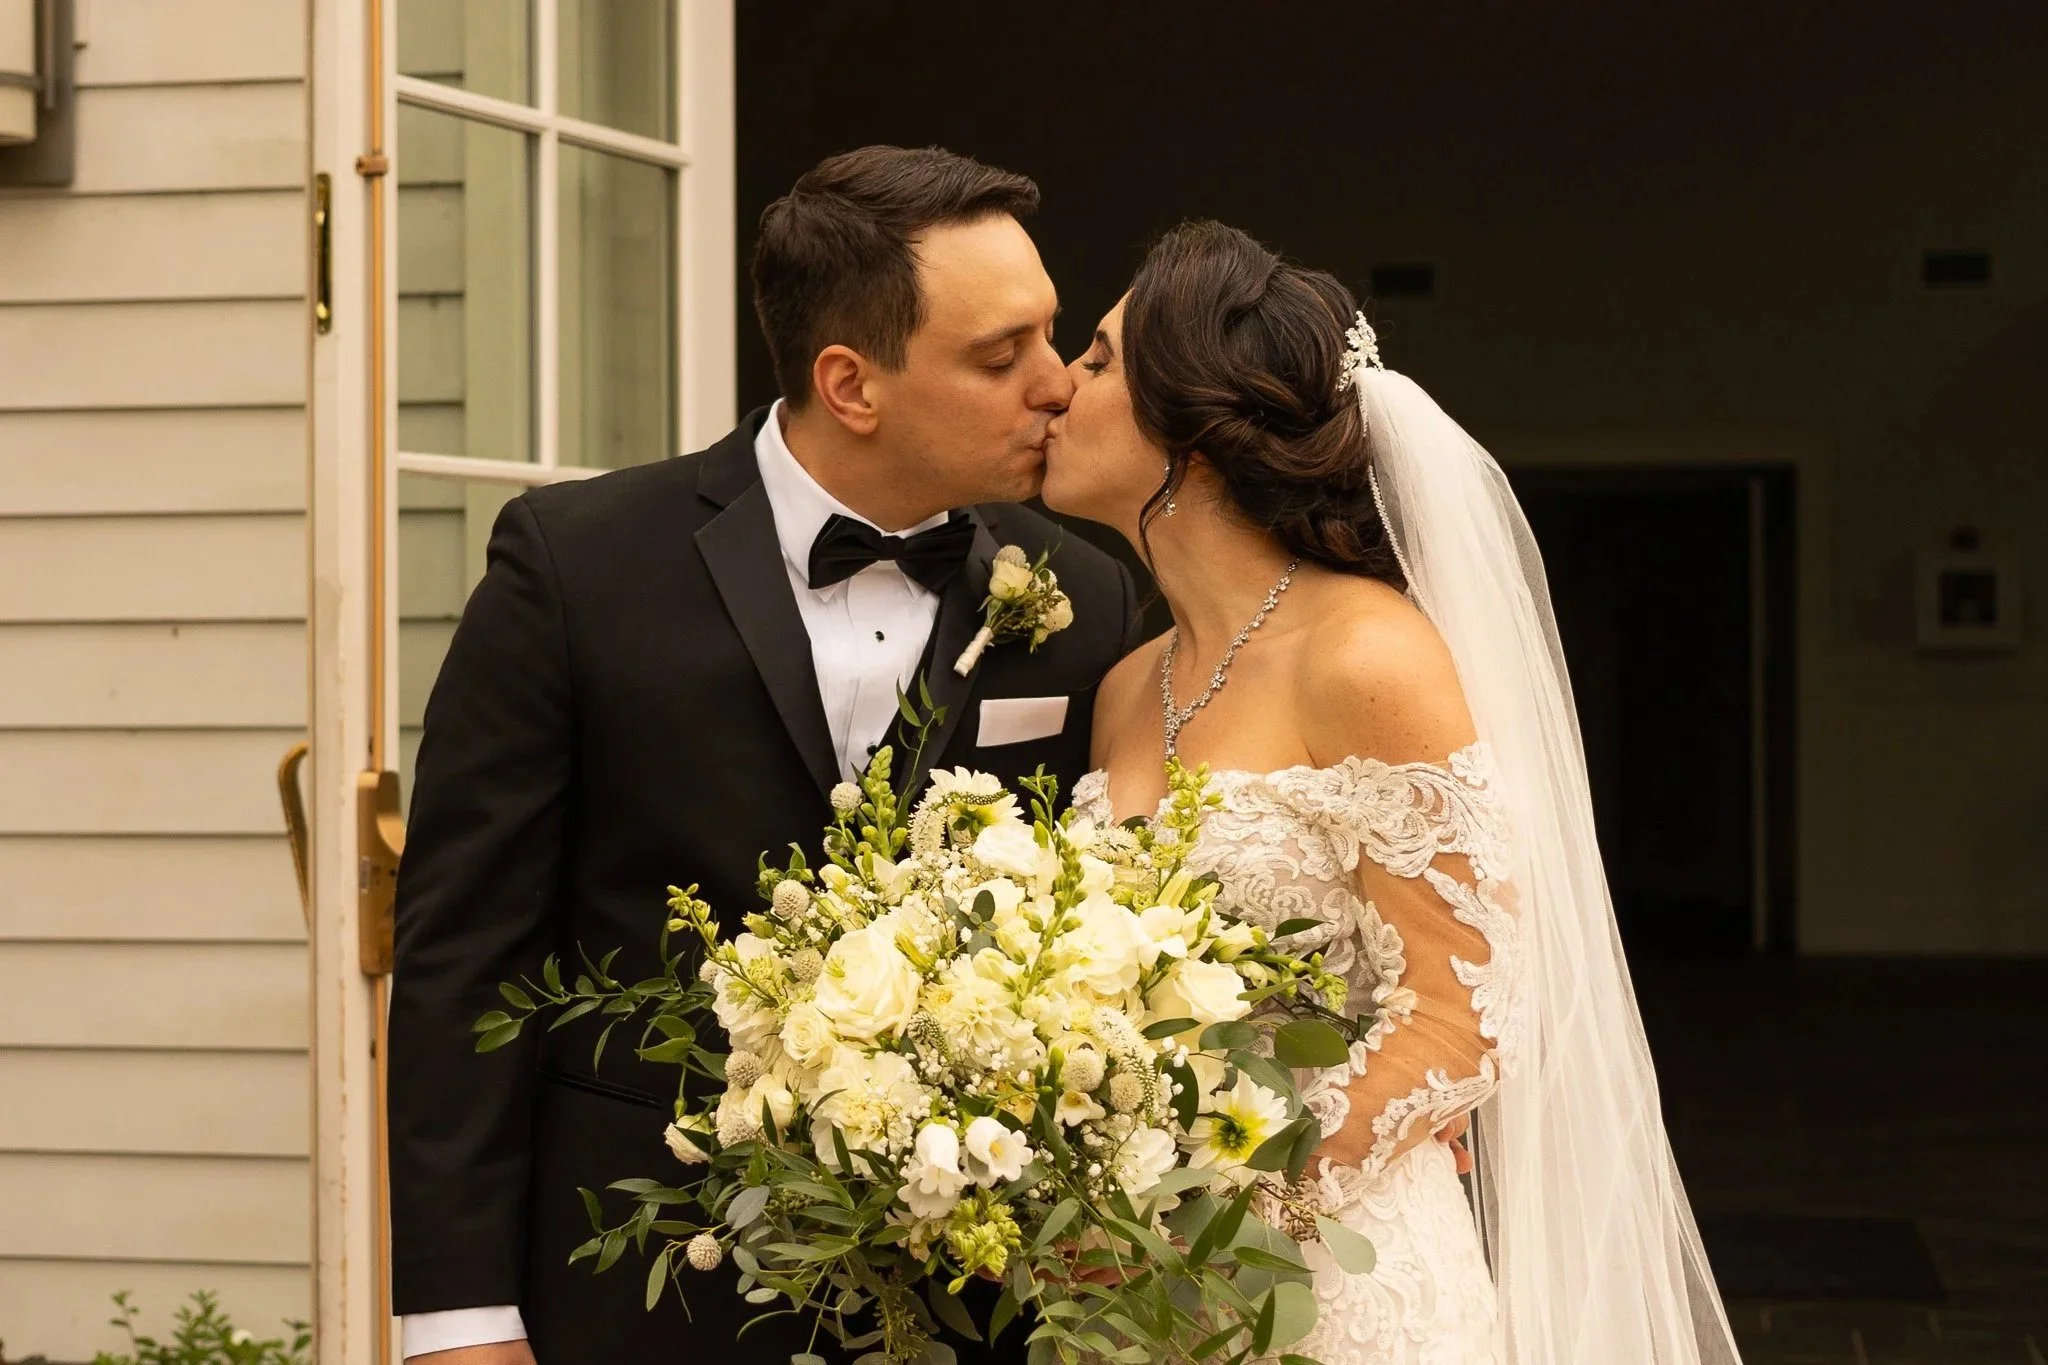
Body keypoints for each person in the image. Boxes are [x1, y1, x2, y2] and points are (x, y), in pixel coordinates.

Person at [385, 146, 1144, 1365]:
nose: (1057, 386)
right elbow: (463, 957)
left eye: (1051, 337)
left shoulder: (1087, 600)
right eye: (1002, 357)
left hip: (974, 1306)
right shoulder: (574, 567)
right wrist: (455, 1319)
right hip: (640, 1281)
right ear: (850, 383)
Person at [1041, 220, 1744, 1364]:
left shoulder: (1365, 656)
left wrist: (1203, 1214)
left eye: (1098, 359)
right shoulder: (1127, 685)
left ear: (1198, 434)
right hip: (1126, 1298)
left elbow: (1459, 1016)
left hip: (1336, 1285)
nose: (1056, 388)